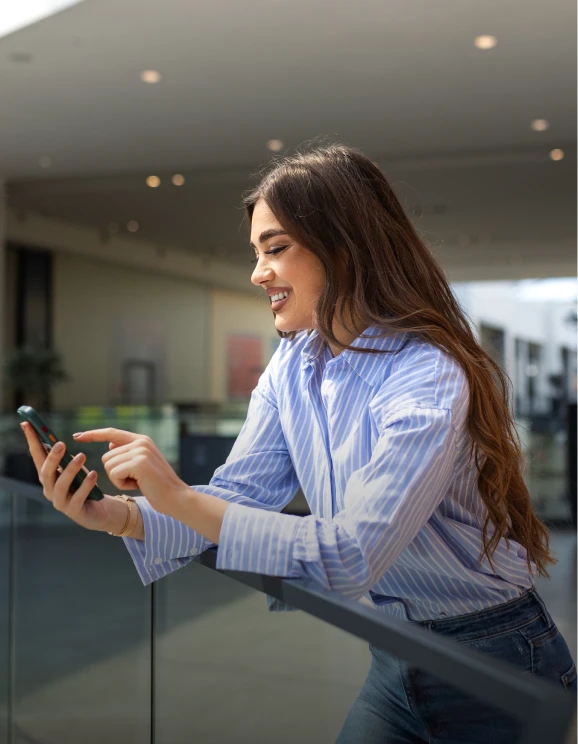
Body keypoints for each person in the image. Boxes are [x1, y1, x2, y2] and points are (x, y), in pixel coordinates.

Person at [22, 144, 577, 743]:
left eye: (276, 249)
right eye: (256, 253)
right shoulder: (292, 365)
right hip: (396, 654)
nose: (258, 273)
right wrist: (114, 514)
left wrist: (178, 496)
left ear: (346, 246)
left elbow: (349, 555)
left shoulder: (427, 374)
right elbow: (241, 495)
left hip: (496, 660)